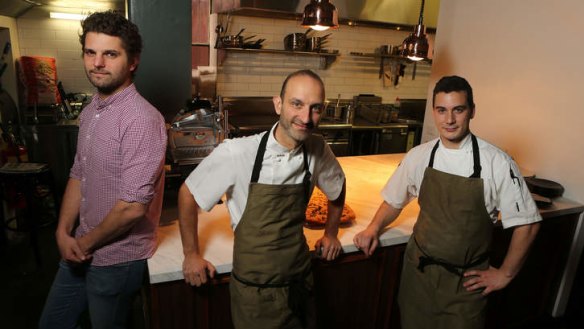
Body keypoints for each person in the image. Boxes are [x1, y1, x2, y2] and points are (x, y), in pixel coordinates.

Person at [353, 75, 542, 329]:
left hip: (465, 285)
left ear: (472, 111)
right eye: (442, 110)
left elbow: (527, 224)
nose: (449, 120)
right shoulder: (419, 156)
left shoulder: (496, 162)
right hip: (418, 277)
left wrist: (505, 274)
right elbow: (394, 200)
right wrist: (373, 228)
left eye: (458, 110)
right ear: (434, 112)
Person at [179, 69, 346, 328]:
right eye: (297, 104)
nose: (306, 117)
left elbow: (337, 188)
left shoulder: (317, 148)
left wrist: (331, 233)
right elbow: (188, 194)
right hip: (255, 295)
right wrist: (191, 254)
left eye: (316, 108)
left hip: (301, 283)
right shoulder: (237, 152)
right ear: (278, 104)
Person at [39, 10, 167, 329]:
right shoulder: (92, 110)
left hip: (117, 259)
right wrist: (62, 232)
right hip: (80, 245)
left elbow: (132, 209)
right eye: (90, 52)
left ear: (132, 61)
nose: (97, 63)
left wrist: (83, 243)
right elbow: (78, 174)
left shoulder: (141, 119)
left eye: (110, 54)